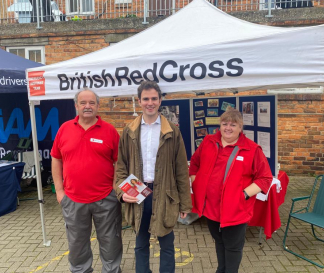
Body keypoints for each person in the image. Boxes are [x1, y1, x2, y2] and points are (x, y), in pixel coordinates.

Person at [115, 81, 192, 273]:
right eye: (146, 99)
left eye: (154, 99)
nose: (150, 103)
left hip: (165, 193)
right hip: (138, 192)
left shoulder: (172, 132)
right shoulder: (129, 130)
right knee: (141, 244)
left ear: (160, 101)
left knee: (167, 244)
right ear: (139, 101)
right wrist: (121, 192)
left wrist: (185, 203)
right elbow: (121, 166)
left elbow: (181, 169)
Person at [189, 108, 272, 273]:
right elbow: (194, 163)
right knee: (219, 242)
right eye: (225, 123)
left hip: (235, 210)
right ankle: (221, 269)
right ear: (219, 125)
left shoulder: (252, 149)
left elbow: (265, 179)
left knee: (233, 247)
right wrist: (197, 183)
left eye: (233, 124)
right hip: (211, 208)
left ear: (240, 127)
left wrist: (243, 195)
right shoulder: (208, 142)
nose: (228, 128)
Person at [51, 88, 122, 273]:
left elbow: (119, 162)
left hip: (105, 198)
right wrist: (59, 191)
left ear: (98, 106)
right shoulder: (64, 129)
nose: (87, 107)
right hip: (73, 199)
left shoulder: (110, 131)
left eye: (92, 103)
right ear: (76, 106)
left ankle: (112, 270)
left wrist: (115, 189)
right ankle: (81, 270)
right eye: (83, 103)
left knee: (110, 240)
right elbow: (56, 158)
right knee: (76, 243)